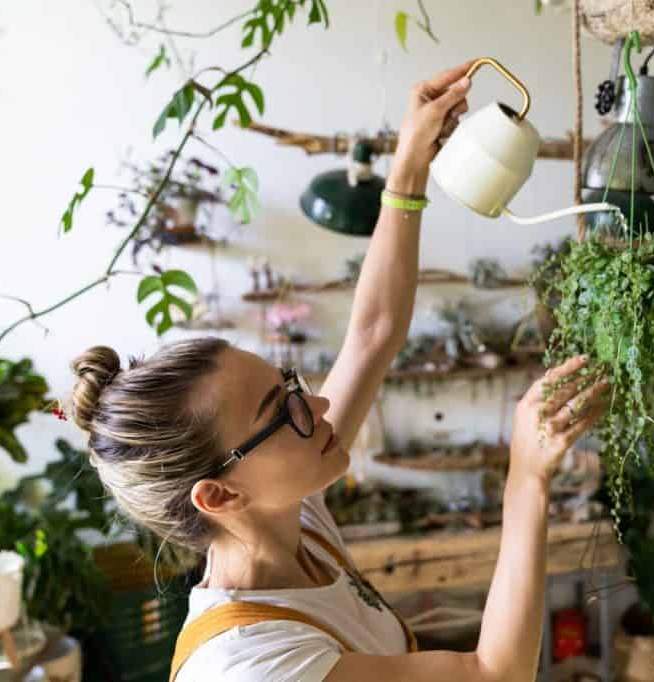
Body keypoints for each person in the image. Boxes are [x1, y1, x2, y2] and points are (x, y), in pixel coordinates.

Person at [69, 61, 610, 681]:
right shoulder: (256, 666)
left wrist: (409, 167)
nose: (320, 408)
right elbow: (492, 675)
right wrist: (527, 479)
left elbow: (373, 334)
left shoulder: (288, 519)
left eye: (290, 386)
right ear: (219, 494)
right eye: (284, 412)